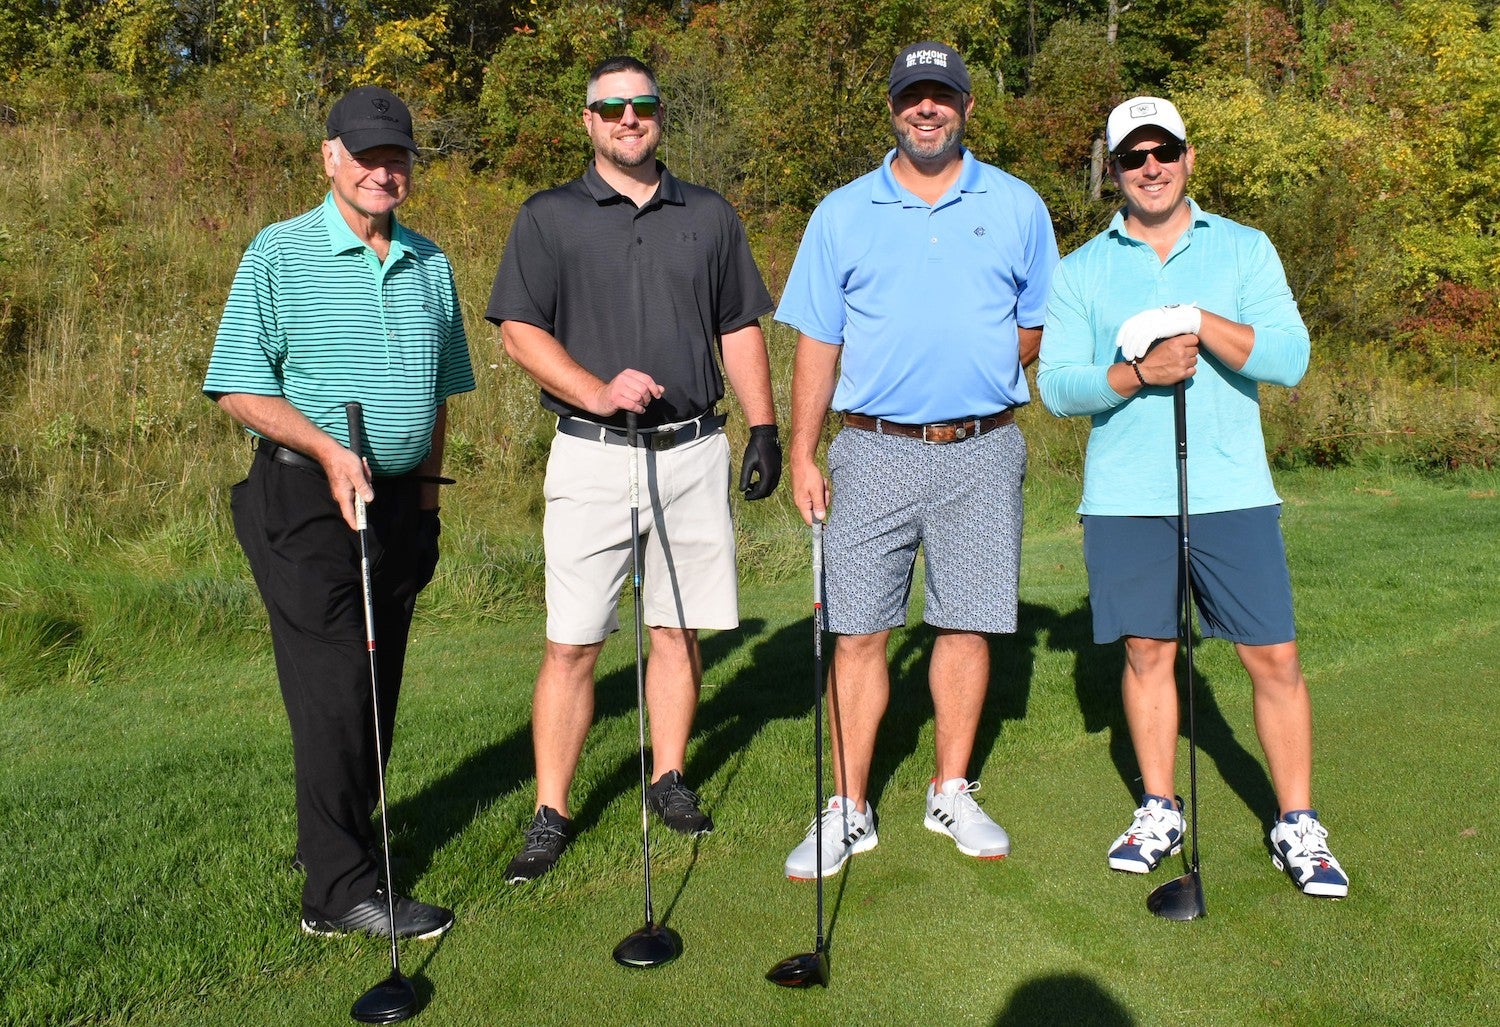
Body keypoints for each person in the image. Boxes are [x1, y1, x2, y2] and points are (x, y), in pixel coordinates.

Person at [1037, 96, 1349, 898]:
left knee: (1271, 654)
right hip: (1126, 497)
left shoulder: (1244, 250)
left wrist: (1199, 321)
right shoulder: (1080, 269)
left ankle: (1297, 822)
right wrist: (1140, 372)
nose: (1151, 166)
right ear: (1113, 170)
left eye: (1164, 150)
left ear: (1189, 157)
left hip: (1231, 489)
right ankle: (1160, 807)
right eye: (1134, 156)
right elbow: (1060, 387)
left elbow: (1288, 357)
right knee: (1149, 651)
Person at [486, 55, 780, 883]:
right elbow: (518, 331)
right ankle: (552, 807)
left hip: (693, 451)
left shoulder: (709, 214)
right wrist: (596, 389)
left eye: (641, 105)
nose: (626, 119)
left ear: (659, 115)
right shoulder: (549, 217)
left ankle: (668, 776)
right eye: (609, 108)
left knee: (676, 629)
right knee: (573, 642)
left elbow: (739, 326)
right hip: (592, 454)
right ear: (587, 121)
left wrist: (763, 426)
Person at [775, 41, 1059, 879]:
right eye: (911, 98)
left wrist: (975, 373)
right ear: (893, 109)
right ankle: (849, 806)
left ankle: (950, 789)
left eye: (941, 96)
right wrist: (802, 447)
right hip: (871, 447)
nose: (925, 110)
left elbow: (1035, 320)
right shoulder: (842, 212)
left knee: (966, 621)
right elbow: (817, 341)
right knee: (859, 628)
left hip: (981, 447)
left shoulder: (1016, 204)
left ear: (968, 106)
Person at [204, 85, 475, 936]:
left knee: (377, 683)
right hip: (307, 501)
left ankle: (339, 840)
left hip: (397, 505)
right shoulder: (279, 254)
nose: (381, 171)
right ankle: (337, 893)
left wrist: (427, 502)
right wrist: (327, 449)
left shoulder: (431, 263)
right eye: (364, 155)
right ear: (329, 156)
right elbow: (237, 385)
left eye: (395, 157)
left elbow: (438, 398)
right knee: (334, 690)